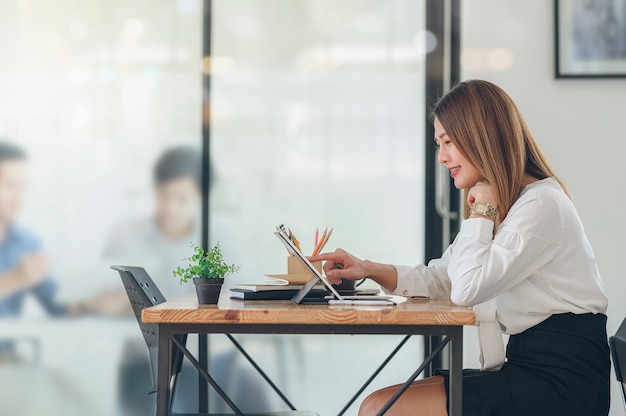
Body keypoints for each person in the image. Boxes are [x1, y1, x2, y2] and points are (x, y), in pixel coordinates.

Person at [310, 80, 610, 416]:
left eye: (448, 142)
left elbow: (466, 288)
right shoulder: (512, 205)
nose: (441, 157)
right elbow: (445, 277)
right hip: (530, 368)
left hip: (563, 383)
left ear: (483, 136)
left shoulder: (540, 205)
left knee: (381, 408)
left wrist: (481, 211)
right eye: (439, 144)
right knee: (375, 404)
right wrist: (369, 268)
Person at [0, 141, 87, 357]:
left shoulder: (27, 243)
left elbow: (57, 305)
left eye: (23, 187)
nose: (19, 197)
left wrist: (92, 305)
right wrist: (13, 279)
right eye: (10, 185)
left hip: (6, 360)